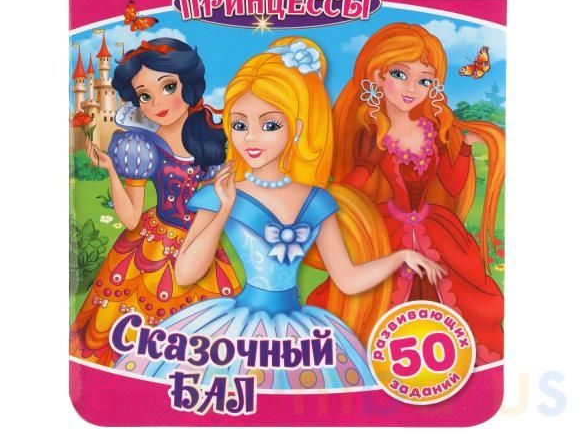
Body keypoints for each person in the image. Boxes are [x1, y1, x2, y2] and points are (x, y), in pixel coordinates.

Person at [114, 37, 443, 389]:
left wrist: (401, 257)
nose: (251, 138)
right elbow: (185, 273)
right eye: (240, 125)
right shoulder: (220, 193)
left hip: (298, 334)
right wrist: (224, 209)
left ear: (296, 128)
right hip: (236, 330)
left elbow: (347, 280)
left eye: (270, 125)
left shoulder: (317, 201)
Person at [306, 23, 505, 365]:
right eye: (400, 74)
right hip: (387, 233)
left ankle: (437, 359)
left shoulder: (433, 130)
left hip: (438, 232)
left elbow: (453, 185)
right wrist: (367, 161)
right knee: (372, 306)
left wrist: (464, 148)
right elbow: (347, 196)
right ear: (377, 75)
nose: (412, 89)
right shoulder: (369, 133)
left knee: (454, 300)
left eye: (425, 81)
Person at [70, 38, 241, 366]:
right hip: (151, 246)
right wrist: (111, 170)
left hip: (200, 240)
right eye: (144, 96)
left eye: (168, 87)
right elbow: (131, 219)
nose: (157, 103)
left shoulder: (210, 138)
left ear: (188, 84)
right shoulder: (140, 147)